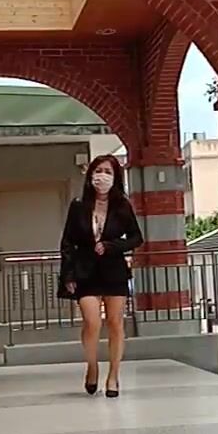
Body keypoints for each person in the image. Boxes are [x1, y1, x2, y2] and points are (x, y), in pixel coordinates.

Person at [59, 154, 143, 398]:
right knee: (92, 321)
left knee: (115, 323)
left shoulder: (122, 206)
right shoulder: (78, 205)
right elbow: (67, 242)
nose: (102, 176)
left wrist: (112, 246)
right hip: (85, 271)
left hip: (113, 270)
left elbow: (136, 238)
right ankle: (92, 365)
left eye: (108, 171)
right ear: (90, 175)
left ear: (115, 177)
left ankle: (113, 375)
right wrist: (68, 275)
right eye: (98, 171)